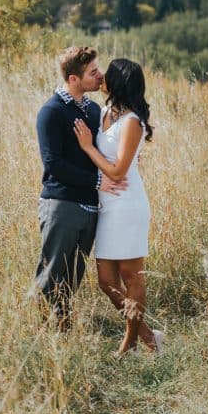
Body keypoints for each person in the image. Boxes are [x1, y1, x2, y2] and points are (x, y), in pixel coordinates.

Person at [73, 58, 163, 354]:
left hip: (127, 204)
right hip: (107, 205)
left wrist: (87, 148)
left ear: (119, 82)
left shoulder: (132, 121)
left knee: (130, 276)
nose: (102, 78)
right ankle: (149, 336)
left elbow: (117, 172)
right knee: (105, 280)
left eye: (107, 74)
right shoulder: (105, 113)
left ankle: (129, 343)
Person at [34, 46, 126, 330]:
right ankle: (42, 333)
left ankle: (62, 331)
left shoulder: (93, 109)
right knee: (52, 274)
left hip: (90, 206)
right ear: (74, 79)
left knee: (72, 276)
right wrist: (97, 181)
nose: (100, 76)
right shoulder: (51, 112)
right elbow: (53, 164)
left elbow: (100, 152)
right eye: (93, 72)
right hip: (62, 204)